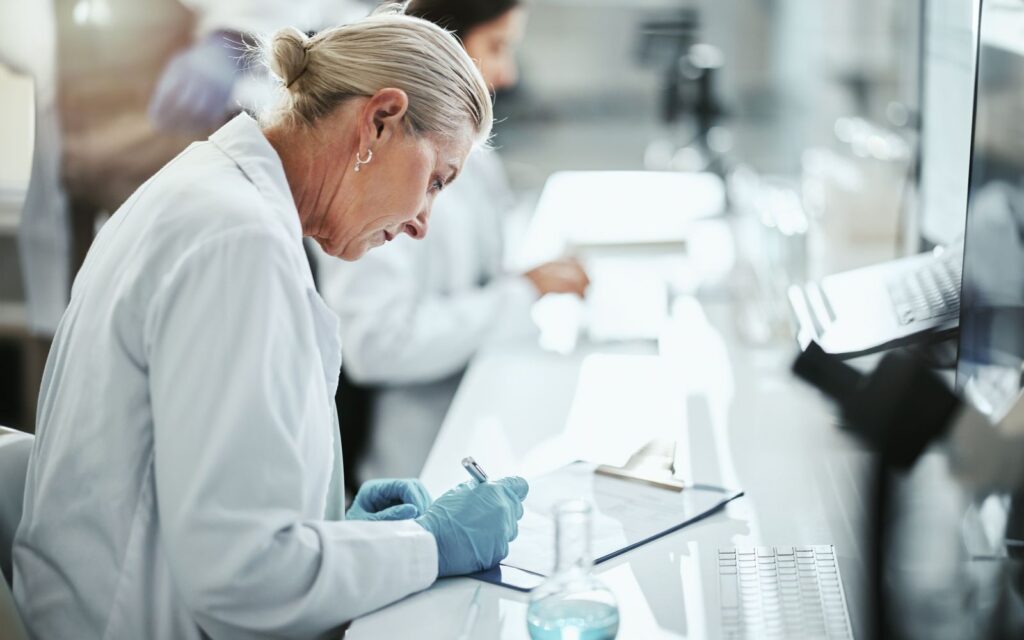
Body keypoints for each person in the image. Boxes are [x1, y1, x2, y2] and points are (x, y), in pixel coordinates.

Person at [13, 12, 527, 639]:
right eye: (436, 180)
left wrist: (337, 533)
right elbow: (241, 579)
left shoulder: (213, 193)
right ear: (380, 120)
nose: (423, 221)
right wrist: (426, 546)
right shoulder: (237, 239)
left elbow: (216, 498)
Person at [317, 0, 590, 483]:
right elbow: (373, 343)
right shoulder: (383, 173)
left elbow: (473, 275)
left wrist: (525, 284)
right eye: (497, 47)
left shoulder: (469, 153)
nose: (506, 74)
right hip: (417, 467)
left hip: (476, 424)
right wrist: (520, 293)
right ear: (445, 45)